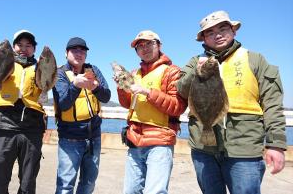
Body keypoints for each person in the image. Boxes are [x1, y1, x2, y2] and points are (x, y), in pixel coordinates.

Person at [177, 10, 287, 194]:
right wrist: (194, 73)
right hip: (203, 148)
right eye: (210, 32)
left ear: (233, 31)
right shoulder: (195, 62)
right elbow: (181, 89)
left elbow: (272, 103)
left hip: (244, 148)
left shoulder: (255, 59)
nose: (217, 35)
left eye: (222, 28)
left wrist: (275, 144)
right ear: (203, 39)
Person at [116, 30, 187, 194]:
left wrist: (148, 92)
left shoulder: (172, 71)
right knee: (130, 191)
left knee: (155, 191)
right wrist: (121, 88)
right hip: (134, 140)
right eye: (140, 46)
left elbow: (178, 106)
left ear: (159, 45)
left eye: (149, 43)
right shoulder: (134, 73)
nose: (144, 48)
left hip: (160, 141)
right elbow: (128, 104)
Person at [0, 30, 48, 194]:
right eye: (19, 45)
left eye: (28, 46)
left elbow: (47, 86)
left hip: (32, 127)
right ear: (13, 47)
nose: (23, 48)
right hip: (3, 124)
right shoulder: (6, 61)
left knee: (28, 182)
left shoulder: (40, 67)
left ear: (34, 49)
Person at [52, 37, 111, 194]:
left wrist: (96, 88)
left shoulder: (94, 70)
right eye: (74, 50)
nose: (79, 53)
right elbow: (63, 104)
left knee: (89, 183)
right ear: (66, 53)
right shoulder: (59, 74)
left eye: (82, 50)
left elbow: (106, 97)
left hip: (93, 137)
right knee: (65, 185)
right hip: (69, 138)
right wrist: (76, 85)